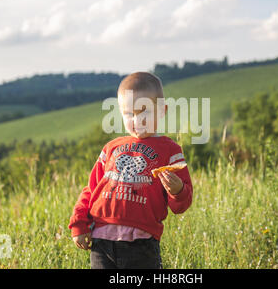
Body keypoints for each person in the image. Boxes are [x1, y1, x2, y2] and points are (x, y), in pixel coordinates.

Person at [68, 71, 193, 269]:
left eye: (144, 111)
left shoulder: (170, 151)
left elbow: (181, 205)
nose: (137, 120)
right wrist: (78, 223)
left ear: (162, 111)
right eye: (129, 114)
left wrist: (177, 190)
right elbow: (91, 190)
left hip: (141, 244)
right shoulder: (111, 148)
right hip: (101, 241)